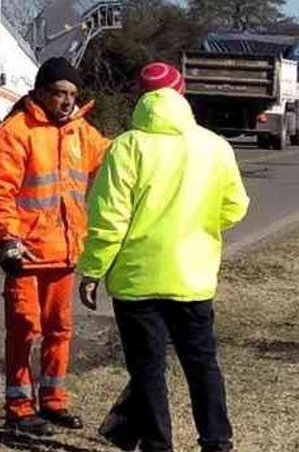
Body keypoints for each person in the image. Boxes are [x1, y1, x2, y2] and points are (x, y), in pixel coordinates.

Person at [76, 62, 250, 452]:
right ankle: (217, 441)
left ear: (141, 96)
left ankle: (157, 445)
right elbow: (235, 208)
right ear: (181, 92)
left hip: (137, 282)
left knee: (147, 369)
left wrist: (92, 271)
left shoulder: (126, 146)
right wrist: (200, 225)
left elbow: (109, 218)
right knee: (202, 364)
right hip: (192, 278)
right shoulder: (215, 146)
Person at [0, 56, 110, 435]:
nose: (66, 101)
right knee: (24, 329)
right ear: (39, 92)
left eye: (72, 94)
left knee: (60, 330)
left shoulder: (82, 132)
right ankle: (18, 406)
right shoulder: (15, 133)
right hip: (28, 253)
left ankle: (53, 400)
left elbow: (112, 160)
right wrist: (8, 240)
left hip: (65, 252)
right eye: (58, 93)